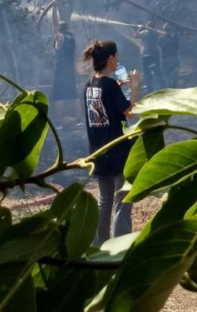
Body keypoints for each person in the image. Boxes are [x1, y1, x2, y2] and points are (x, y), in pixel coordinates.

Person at [83, 39, 141, 244]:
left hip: (99, 151)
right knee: (122, 200)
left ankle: (101, 246)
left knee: (105, 200)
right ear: (110, 59)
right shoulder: (109, 85)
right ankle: (119, 249)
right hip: (118, 151)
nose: (117, 60)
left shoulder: (90, 85)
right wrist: (134, 86)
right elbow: (130, 113)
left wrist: (118, 86)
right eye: (116, 57)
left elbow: (104, 103)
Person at [52, 16, 77, 122]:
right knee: (73, 94)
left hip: (61, 69)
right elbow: (74, 53)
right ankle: (78, 119)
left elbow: (56, 49)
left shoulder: (59, 37)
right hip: (69, 69)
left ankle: (58, 121)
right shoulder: (71, 37)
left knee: (58, 95)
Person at [139, 21, 162, 93]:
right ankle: (150, 90)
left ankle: (162, 87)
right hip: (145, 56)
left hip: (154, 56)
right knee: (147, 74)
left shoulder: (155, 32)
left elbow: (158, 33)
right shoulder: (144, 33)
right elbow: (135, 36)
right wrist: (140, 28)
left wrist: (147, 27)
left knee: (157, 72)